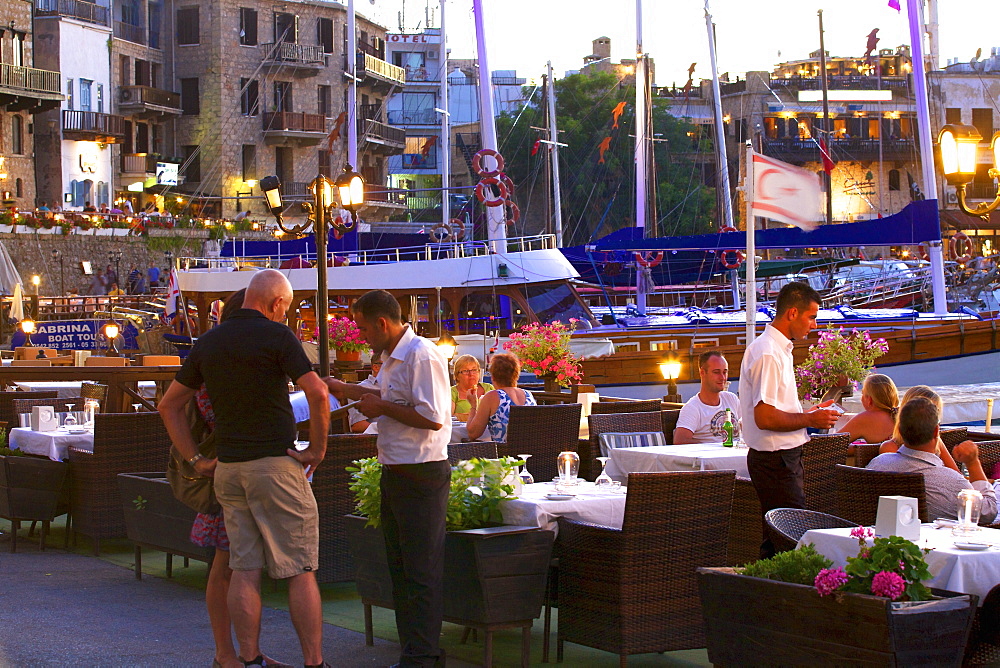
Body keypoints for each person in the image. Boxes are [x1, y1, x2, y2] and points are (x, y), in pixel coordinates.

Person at [158, 269, 331, 668]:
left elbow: (169, 405)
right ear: (276, 304)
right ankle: (314, 662)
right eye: (286, 309)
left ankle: (248, 658)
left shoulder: (208, 342)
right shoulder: (277, 336)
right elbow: (318, 392)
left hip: (228, 470)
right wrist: (316, 450)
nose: (285, 316)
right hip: (274, 465)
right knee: (300, 569)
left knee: (244, 568)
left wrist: (196, 460)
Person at [325, 290, 451, 668]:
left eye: (363, 328)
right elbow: (385, 396)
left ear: (382, 323)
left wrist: (379, 407)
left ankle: (424, 655)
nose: (361, 336)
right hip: (395, 470)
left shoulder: (421, 354)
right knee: (400, 568)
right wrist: (344, 388)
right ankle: (412, 651)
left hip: (422, 473)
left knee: (421, 570)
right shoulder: (390, 358)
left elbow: (433, 418)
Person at [739, 282, 840, 558]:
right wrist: (810, 419)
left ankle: (768, 594)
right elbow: (765, 416)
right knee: (786, 542)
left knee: (778, 539)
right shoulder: (769, 352)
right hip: (776, 459)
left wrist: (811, 413)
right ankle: (774, 595)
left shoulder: (777, 349)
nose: (815, 325)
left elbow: (774, 408)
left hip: (781, 457)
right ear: (792, 313)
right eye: (812, 316)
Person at [867, 397, 998, 523]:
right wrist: (973, 463)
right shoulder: (951, 482)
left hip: (879, 541)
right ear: (936, 431)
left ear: (900, 430)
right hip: (934, 543)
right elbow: (989, 512)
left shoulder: (877, 464)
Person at [879, 385, 960, 472]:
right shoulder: (890, 447)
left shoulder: (936, 442)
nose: (931, 417)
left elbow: (957, 473)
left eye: (935, 412)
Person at [465, 352, 536, 443]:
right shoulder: (528, 395)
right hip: (530, 453)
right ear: (516, 375)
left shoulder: (492, 397)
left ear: (493, 377)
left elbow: (473, 434)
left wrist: (473, 405)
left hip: (504, 454)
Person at [673, 350, 741, 444]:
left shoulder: (731, 399)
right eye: (716, 372)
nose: (722, 377)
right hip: (713, 457)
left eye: (725, 372)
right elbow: (680, 441)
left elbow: (748, 427)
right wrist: (713, 448)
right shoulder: (693, 408)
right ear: (702, 373)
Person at [840, 373, 899, 444]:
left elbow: (832, 443)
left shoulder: (866, 418)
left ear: (869, 400)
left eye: (863, 394)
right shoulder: (902, 414)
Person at [450, 354, 494, 422]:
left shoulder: (489, 388)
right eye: (465, 371)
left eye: (474, 370)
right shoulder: (452, 392)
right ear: (457, 376)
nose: (471, 374)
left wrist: (462, 416)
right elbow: (449, 417)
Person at [348, 349, 383, 433]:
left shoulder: (399, 387)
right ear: (376, 367)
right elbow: (358, 425)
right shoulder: (360, 390)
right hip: (380, 440)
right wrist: (390, 431)